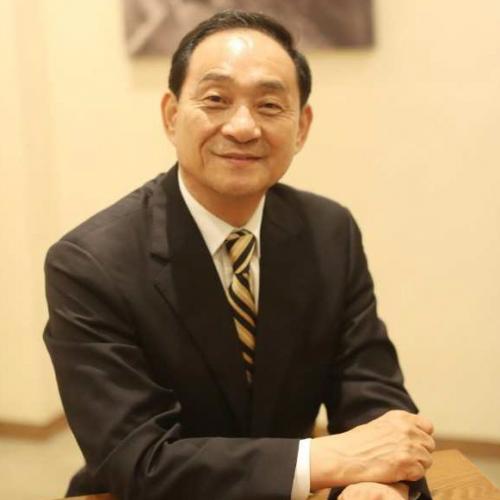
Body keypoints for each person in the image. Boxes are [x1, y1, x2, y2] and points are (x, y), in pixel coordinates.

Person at [44, 10, 435, 500]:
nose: (244, 126)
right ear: (171, 115)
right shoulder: (89, 263)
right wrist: (324, 460)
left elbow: (369, 388)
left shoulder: (329, 232)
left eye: (269, 105)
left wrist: (374, 481)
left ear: (302, 126)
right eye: (216, 100)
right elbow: (139, 460)